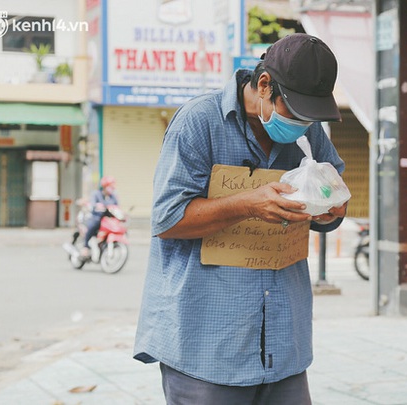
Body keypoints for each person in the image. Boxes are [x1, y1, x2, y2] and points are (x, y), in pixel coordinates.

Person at [134, 33, 349, 404]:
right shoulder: (198, 122)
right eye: (295, 113)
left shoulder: (308, 129)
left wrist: (331, 212)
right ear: (264, 85)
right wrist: (247, 204)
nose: (302, 125)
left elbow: (331, 193)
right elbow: (167, 221)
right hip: (207, 349)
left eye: (309, 117)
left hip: (285, 346)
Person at [80, 175, 119, 258]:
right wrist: (97, 206)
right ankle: (85, 246)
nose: (112, 188)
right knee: (92, 225)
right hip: (96, 217)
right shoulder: (96, 194)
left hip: (108, 219)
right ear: (105, 186)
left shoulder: (113, 196)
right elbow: (93, 204)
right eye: (110, 186)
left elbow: (117, 206)